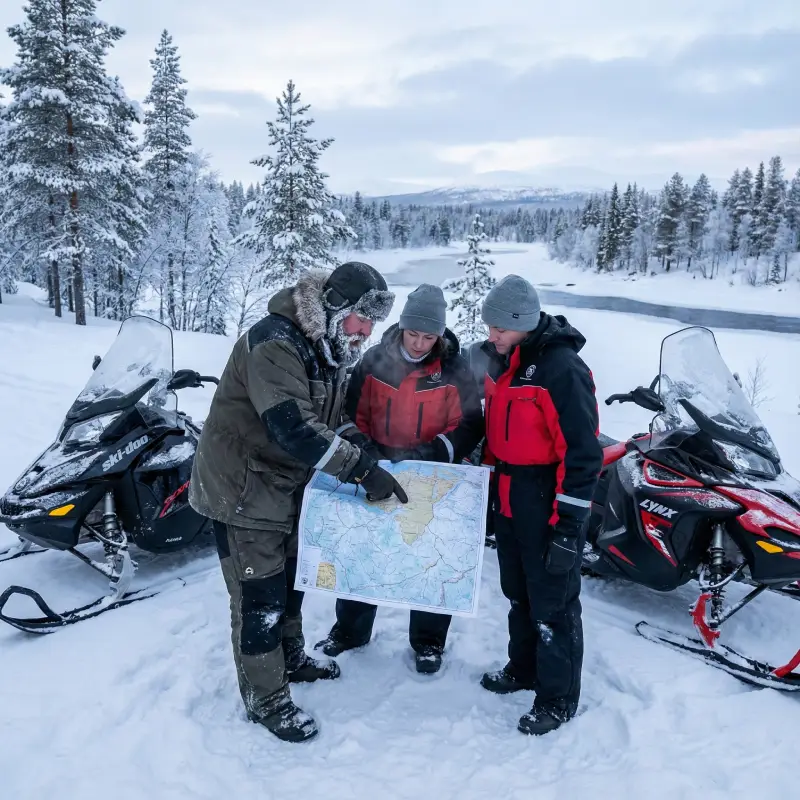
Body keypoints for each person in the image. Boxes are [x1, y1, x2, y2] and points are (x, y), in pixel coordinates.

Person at [189, 262, 408, 744]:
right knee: (259, 599)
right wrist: (360, 469)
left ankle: (289, 660)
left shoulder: (328, 347)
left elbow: (329, 418)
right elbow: (295, 427)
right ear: (334, 308)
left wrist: (360, 447)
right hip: (243, 490)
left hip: (285, 489)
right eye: (361, 320)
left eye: (371, 325)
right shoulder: (275, 342)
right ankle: (266, 699)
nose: (366, 333)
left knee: (290, 586)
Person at [315, 284, 483, 674]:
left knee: (431, 556)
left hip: (432, 474)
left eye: (429, 336)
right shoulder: (374, 361)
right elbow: (350, 414)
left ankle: (428, 641)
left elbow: (472, 423)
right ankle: (350, 631)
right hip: (377, 470)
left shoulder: (455, 369)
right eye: (414, 334)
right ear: (402, 328)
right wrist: (365, 450)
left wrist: (438, 450)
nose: (421, 342)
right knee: (364, 551)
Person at [476, 274, 603, 736]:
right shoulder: (503, 361)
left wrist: (569, 526)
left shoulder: (561, 369)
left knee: (553, 604)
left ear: (524, 324)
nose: (491, 335)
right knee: (519, 594)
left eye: (500, 328)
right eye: (489, 326)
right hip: (510, 497)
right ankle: (523, 668)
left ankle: (557, 698)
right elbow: (495, 432)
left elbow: (583, 454)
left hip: (548, 497)